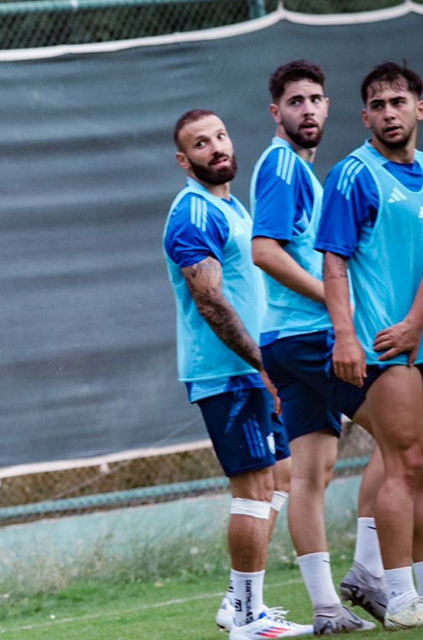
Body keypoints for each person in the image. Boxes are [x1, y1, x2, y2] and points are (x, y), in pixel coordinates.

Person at [162, 109, 311, 639]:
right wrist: (263, 363)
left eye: (221, 136)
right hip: (229, 375)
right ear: (185, 161)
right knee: (252, 489)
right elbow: (210, 301)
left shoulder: (233, 206)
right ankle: (248, 619)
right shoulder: (193, 213)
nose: (217, 147)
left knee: (282, 478)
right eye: (201, 143)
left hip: (255, 371)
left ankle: (239, 601)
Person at [248, 60, 379, 633]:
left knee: (310, 474)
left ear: (328, 107)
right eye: (295, 101)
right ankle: (372, 572)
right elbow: (265, 251)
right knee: (405, 438)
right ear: (276, 112)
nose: (307, 109)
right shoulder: (282, 165)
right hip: (309, 337)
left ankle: (327, 607)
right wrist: (334, 300)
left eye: (315, 99)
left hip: (285, 338)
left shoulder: (301, 169)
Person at [316, 61, 423, 630]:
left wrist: (417, 323)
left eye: (398, 102)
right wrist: (345, 335)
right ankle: (398, 594)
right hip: (384, 345)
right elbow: (333, 264)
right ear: (364, 118)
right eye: (378, 106)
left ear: (419, 108)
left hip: (416, 337)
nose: (389, 113)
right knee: (404, 462)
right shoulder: (353, 175)